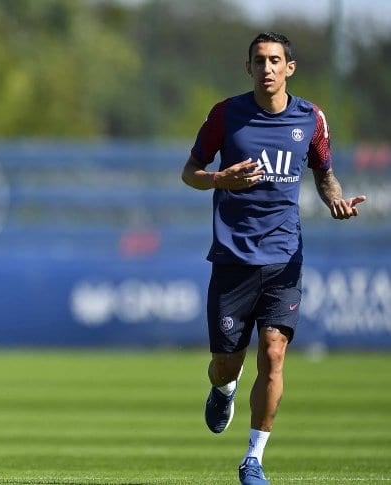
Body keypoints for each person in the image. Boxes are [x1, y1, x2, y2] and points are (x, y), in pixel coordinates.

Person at [181, 31, 366, 485]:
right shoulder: (227, 116)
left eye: (275, 60)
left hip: (284, 259)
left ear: (290, 68)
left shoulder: (311, 118)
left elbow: (325, 175)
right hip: (232, 257)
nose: (267, 68)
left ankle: (253, 459)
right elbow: (190, 174)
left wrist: (334, 200)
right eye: (259, 60)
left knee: (274, 352)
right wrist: (220, 178)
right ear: (249, 68)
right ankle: (224, 388)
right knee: (226, 362)